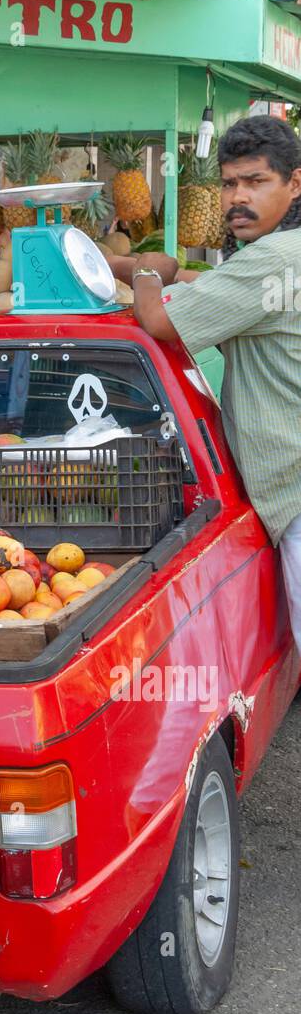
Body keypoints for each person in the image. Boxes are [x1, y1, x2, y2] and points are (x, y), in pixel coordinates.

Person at [129, 115, 301, 647]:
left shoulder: (271, 258)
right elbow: (226, 290)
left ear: (295, 184)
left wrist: (146, 271)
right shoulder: (281, 255)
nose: (237, 198)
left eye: (256, 182)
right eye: (229, 184)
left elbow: (157, 321)